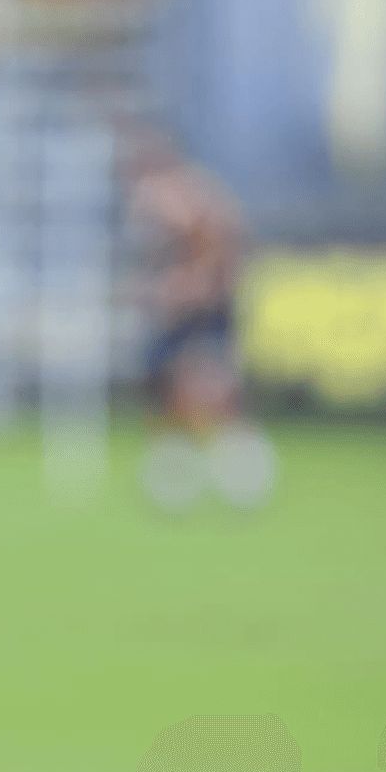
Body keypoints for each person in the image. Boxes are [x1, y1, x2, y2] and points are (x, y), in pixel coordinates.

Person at [124, 128, 275, 511]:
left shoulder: (184, 197)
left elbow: (219, 245)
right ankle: (175, 484)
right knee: (169, 398)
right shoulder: (164, 197)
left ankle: (245, 478)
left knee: (212, 396)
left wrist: (192, 286)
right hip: (180, 311)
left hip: (201, 311)